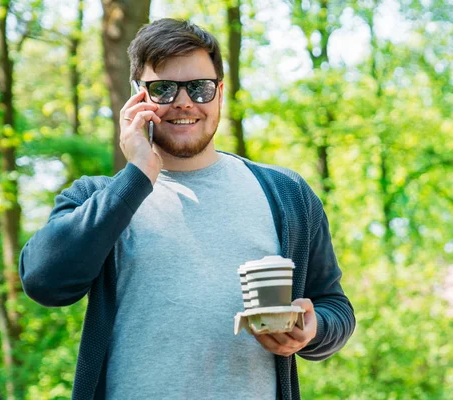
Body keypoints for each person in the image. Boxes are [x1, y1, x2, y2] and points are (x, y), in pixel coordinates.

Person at [19, 18, 355, 400]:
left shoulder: (288, 194)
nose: (184, 102)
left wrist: (311, 330)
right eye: (163, 89)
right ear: (138, 97)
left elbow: (335, 308)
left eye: (199, 88)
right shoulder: (102, 198)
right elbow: (43, 280)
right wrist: (138, 176)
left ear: (221, 93)